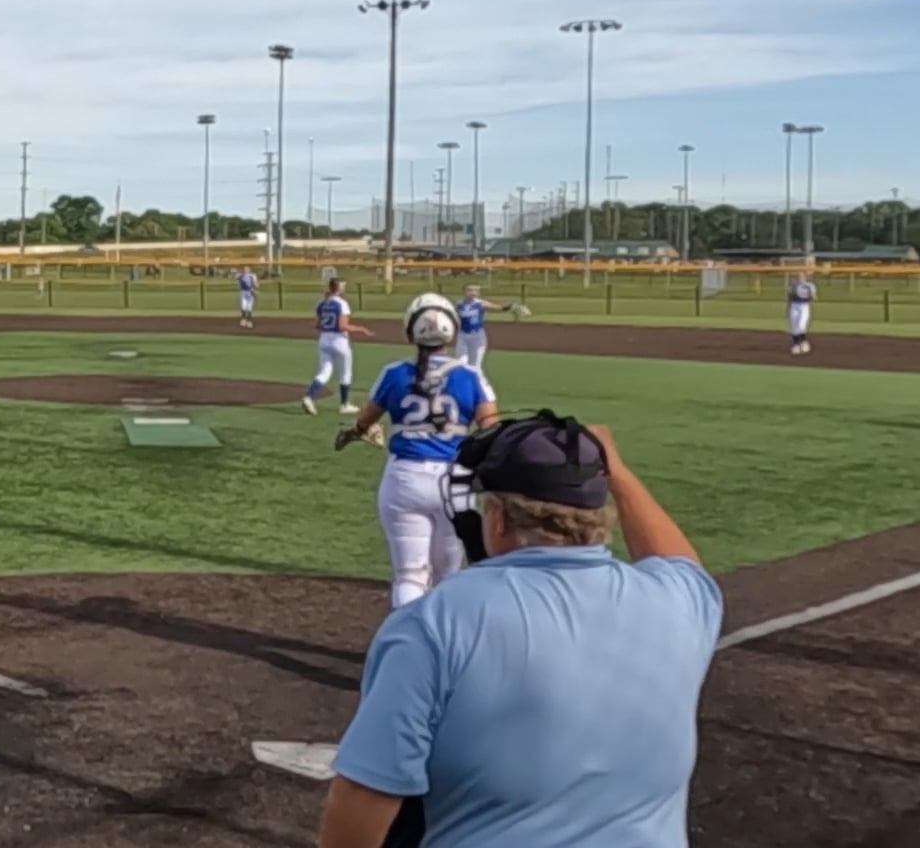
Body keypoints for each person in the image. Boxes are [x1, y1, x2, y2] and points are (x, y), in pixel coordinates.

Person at [317, 414, 723, 848]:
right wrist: (620, 476)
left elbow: (361, 804)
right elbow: (681, 563)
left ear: (498, 519)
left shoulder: (435, 621)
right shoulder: (682, 602)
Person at [338, 294, 498, 608]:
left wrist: (356, 432)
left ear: (410, 330)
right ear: (452, 330)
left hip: (404, 477)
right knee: (448, 576)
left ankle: (407, 635)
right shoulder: (471, 375)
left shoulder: (394, 373)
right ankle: (444, 637)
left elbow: (365, 421)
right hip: (455, 481)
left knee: (409, 576)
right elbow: (492, 431)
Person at [302, 278, 373, 415]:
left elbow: (317, 324)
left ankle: (309, 397)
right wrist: (362, 329)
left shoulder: (322, 303)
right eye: (343, 286)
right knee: (345, 372)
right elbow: (342, 326)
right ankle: (344, 404)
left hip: (324, 339)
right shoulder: (342, 304)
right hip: (339, 340)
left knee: (324, 372)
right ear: (339, 288)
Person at [452, 284, 514, 370]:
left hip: (477, 337)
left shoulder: (481, 303)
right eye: (470, 290)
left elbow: (500, 308)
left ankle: (478, 378)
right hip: (462, 336)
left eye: (476, 291)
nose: (473, 293)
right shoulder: (458, 304)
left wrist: (512, 307)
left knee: (474, 366)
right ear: (464, 292)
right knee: (461, 362)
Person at [787, 270, 817, 355]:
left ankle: (804, 342)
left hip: (804, 306)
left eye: (801, 276)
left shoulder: (809, 285)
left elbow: (814, 297)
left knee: (801, 326)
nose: (800, 277)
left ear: (805, 277)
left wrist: (811, 297)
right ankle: (796, 345)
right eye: (798, 276)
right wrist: (788, 307)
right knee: (794, 327)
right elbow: (790, 297)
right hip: (794, 306)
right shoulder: (793, 285)